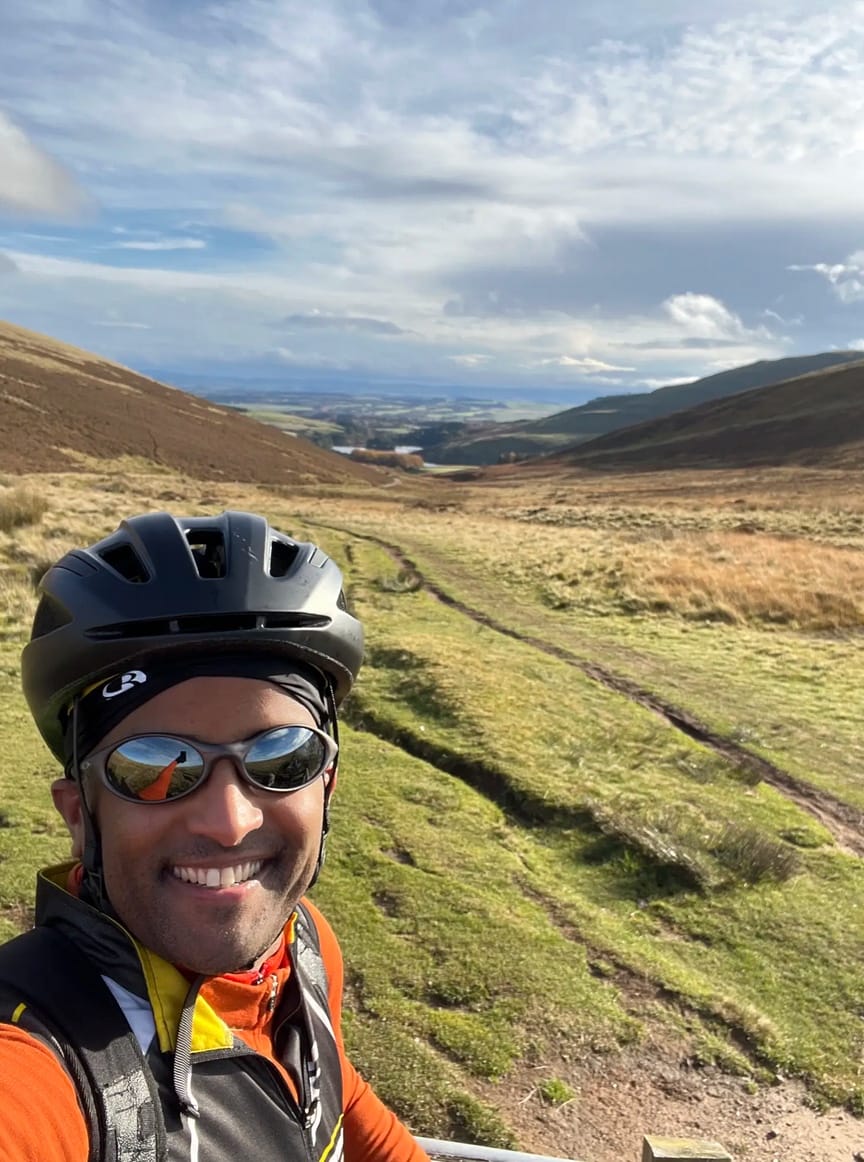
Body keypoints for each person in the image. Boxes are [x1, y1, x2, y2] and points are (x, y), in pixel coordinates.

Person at [0, 510, 430, 1162]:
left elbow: (338, 1104)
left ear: (328, 785)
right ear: (79, 813)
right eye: (152, 769)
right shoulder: (40, 1054)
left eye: (281, 759)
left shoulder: (303, 947)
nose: (230, 822)